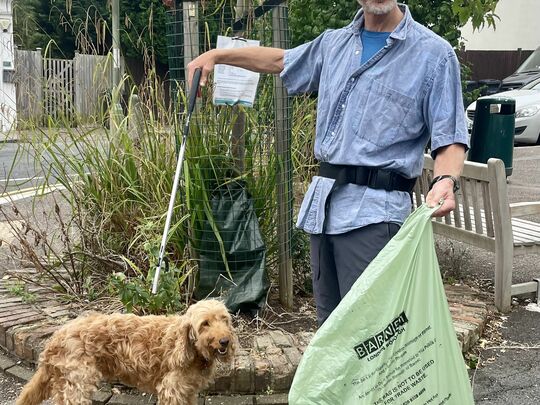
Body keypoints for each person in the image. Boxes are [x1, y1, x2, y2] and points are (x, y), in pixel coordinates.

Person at [187, 0, 468, 325]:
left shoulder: (433, 54)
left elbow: (450, 137)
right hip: (324, 211)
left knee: (370, 334)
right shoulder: (333, 44)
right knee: (330, 334)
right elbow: (279, 60)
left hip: (376, 219)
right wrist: (217, 56)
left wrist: (445, 180)